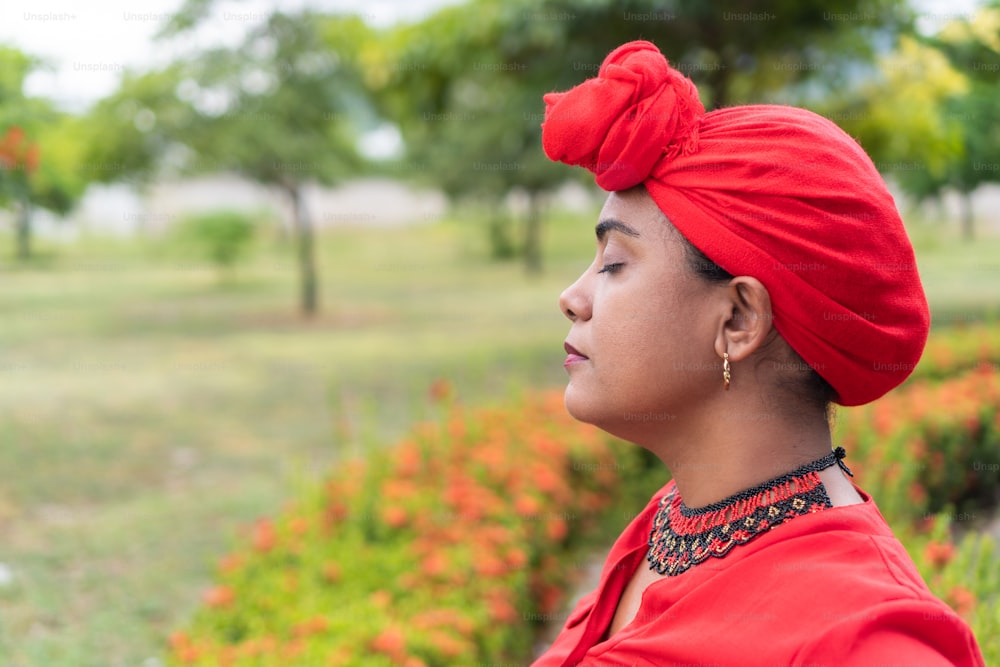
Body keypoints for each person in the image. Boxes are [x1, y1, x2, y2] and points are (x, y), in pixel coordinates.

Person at [531, 41, 985, 666]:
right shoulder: (675, 524)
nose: (572, 297)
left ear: (739, 319)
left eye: (613, 263)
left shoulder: (869, 643)